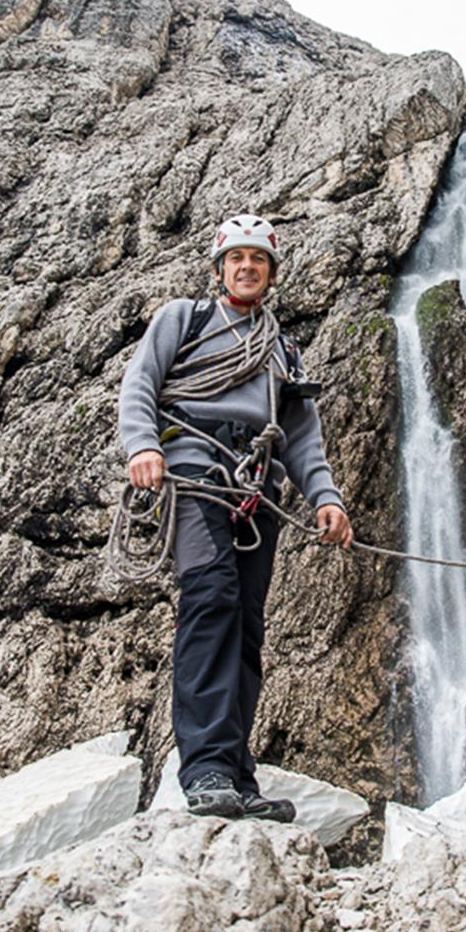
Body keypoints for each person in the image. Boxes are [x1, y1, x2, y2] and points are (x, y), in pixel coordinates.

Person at [119, 214, 354, 821]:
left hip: (257, 481)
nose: (246, 267)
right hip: (194, 470)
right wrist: (143, 444)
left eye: (258, 260)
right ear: (220, 268)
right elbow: (141, 382)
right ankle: (203, 770)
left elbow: (302, 436)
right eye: (236, 259)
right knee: (212, 596)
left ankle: (235, 776)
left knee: (247, 623)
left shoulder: (283, 349)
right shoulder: (184, 319)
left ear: (271, 274)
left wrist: (326, 498)